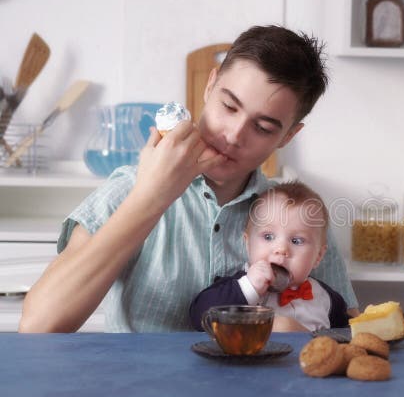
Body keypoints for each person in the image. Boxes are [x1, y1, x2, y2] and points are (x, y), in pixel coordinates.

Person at [19, 25, 358, 333]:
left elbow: (348, 334)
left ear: (287, 136)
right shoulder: (129, 189)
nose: (234, 134)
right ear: (210, 86)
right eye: (229, 106)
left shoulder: (298, 218)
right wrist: (151, 198)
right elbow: (38, 327)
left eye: (263, 127)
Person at [189, 181, 348, 332]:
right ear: (248, 244)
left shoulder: (326, 298)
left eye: (296, 241)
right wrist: (249, 287)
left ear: (318, 256)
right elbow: (200, 318)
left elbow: (347, 336)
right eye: (268, 237)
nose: (281, 249)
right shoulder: (237, 290)